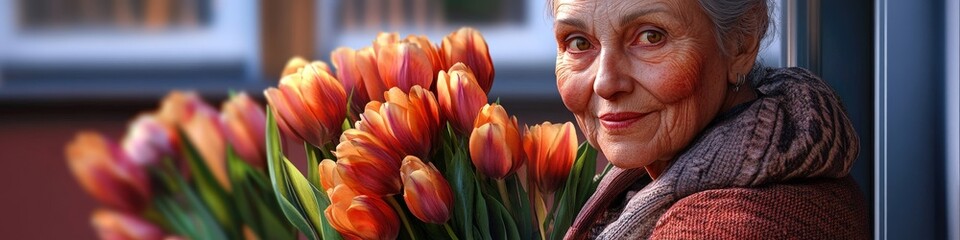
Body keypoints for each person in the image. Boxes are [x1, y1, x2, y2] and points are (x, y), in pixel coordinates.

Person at [551, 0, 869, 239]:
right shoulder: (651, 180)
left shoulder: (730, 225)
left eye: (651, 36)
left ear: (741, 43)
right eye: (579, 42)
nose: (605, 83)